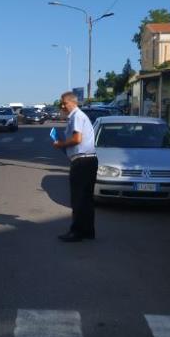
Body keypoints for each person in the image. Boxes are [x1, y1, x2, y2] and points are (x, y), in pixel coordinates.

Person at [52, 92, 98, 242]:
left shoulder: (76, 116)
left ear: (72, 102)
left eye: (64, 103)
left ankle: (76, 232)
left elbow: (77, 139)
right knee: (86, 199)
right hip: (89, 160)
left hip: (82, 162)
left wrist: (61, 144)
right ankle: (88, 231)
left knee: (78, 198)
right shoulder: (79, 116)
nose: (62, 106)